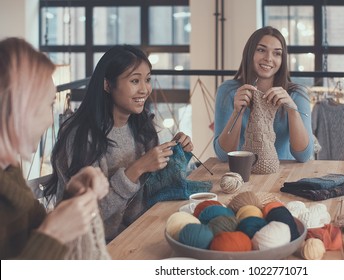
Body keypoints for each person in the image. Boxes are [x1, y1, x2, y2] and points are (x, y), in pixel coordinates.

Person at [45, 45, 194, 242]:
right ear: (107, 85)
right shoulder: (80, 135)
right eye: (134, 80)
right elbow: (87, 216)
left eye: (147, 79)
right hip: (93, 246)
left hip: (138, 232)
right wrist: (137, 169)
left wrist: (177, 154)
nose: (144, 89)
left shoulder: (140, 126)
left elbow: (155, 189)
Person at [0, 37, 109, 259]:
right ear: (20, 107)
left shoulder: (9, 175)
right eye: (48, 104)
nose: (51, 121)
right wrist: (53, 235)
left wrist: (71, 196)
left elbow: (34, 232)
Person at [213, 26, 314, 163]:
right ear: (249, 53)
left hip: (284, 176)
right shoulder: (228, 91)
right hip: (243, 176)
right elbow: (223, 155)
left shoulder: (297, 94)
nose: (268, 58)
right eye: (261, 50)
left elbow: (304, 156)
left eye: (277, 53)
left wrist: (292, 111)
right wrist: (238, 112)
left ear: (282, 59)